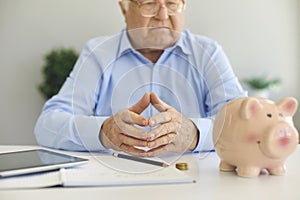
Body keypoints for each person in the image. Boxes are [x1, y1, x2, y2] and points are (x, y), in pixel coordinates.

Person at [34, 0, 247, 157]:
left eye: (173, 3)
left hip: (196, 184)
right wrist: (103, 132)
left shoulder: (207, 52)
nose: (163, 15)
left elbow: (242, 123)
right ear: (124, 8)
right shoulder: (97, 53)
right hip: (114, 183)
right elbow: (47, 125)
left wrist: (194, 134)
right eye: (149, 3)